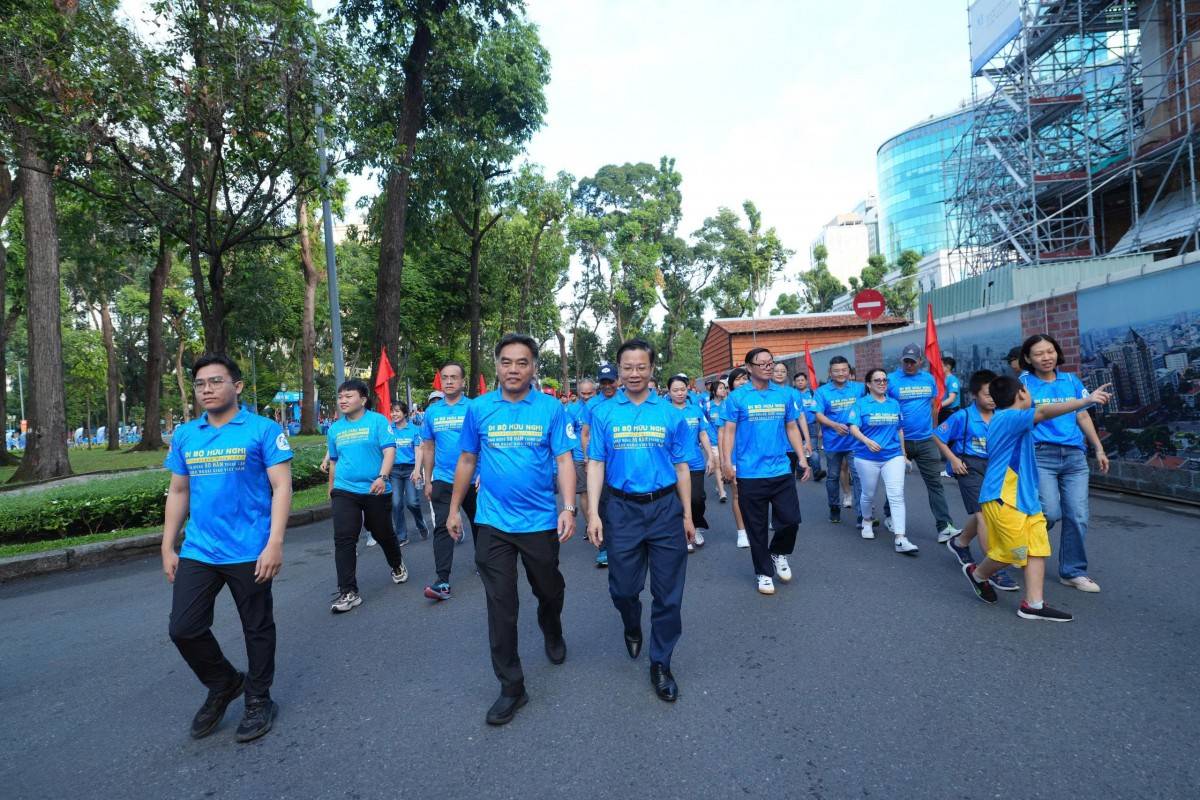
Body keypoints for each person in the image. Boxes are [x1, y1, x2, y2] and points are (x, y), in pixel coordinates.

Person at [162, 353, 292, 743]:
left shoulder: (263, 430)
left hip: (251, 548)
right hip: (199, 549)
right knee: (183, 628)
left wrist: (275, 543)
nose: (207, 389)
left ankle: (258, 699)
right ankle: (223, 683)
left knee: (257, 627)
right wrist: (168, 545)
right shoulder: (186, 434)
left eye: (216, 381)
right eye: (201, 383)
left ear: (236, 386)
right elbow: (179, 489)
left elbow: (281, 487)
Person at [447, 334, 575, 725]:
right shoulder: (479, 409)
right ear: (496, 366)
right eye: (506, 362)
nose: (513, 369)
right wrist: (454, 508)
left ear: (534, 367)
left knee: (549, 590)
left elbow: (565, 460)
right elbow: (468, 460)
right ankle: (511, 687)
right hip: (492, 523)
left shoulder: (551, 409)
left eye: (522, 362)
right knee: (501, 605)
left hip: (538, 522)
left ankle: (551, 627)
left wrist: (568, 507)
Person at [587, 339, 695, 702]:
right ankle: (631, 624)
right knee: (623, 589)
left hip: (665, 509)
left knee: (668, 595)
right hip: (621, 510)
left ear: (651, 370)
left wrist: (688, 515)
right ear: (619, 371)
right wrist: (592, 513)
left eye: (641, 367)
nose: (634, 374)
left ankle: (661, 662)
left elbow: (682, 466)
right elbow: (596, 463)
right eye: (627, 368)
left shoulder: (670, 414)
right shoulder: (602, 413)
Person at [961, 376, 1112, 621]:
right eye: (1028, 391)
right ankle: (977, 574)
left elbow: (1043, 411)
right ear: (1022, 393)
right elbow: (1043, 411)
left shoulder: (1016, 417)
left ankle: (1034, 604)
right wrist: (1087, 400)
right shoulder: (1008, 418)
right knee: (1011, 553)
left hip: (1026, 498)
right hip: (1003, 497)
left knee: (1037, 550)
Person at [1019, 334, 1109, 593]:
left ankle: (1072, 571)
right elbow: (1027, 417)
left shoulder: (1070, 380)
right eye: (1038, 353)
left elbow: (1082, 415)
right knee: (1049, 512)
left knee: (1078, 515)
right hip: (1040, 455)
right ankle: (1024, 546)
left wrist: (1099, 448)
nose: (1046, 357)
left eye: (1050, 351)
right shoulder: (1024, 384)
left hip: (1074, 457)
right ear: (1028, 358)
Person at [721, 347, 812, 595]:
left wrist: (802, 457)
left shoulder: (783, 395)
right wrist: (726, 462)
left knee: (791, 519)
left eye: (770, 363)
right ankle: (763, 572)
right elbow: (728, 431)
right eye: (761, 364)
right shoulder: (737, 398)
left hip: (780, 468)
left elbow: (791, 427)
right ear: (749, 367)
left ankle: (779, 553)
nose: (768, 367)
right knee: (757, 527)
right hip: (750, 473)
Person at [933, 370, 1020, 592]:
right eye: (986, 394)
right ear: (974, 395)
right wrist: (953, 459)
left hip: (996, 468)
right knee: (985, 516)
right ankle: (992, 568)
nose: (991, 398)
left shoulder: (1003, 415)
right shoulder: (963, 416)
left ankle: (959, 542)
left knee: (990, 511)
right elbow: (938, 435)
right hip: (969, 467)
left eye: (994, 394)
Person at [325, 380, 407, 613]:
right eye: (340, 396)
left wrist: (382, 477)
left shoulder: (378, 421)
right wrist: (332, 489)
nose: (343, 400)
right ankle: (348, 591)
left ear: (362, 399)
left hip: (376, 488)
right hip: (345, 489)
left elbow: (389, 450)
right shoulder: (335, 429)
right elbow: (334, 461)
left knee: (382, 532)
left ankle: (396, 563)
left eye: (348, 396)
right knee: (344, 538)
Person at [886, 344, 960, 543]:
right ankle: (889, 515)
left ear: (921, 361)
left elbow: (933, 406)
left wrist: (935, 431)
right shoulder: (891, 380)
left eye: (913, 361)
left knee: (935, 484)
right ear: (901, 361)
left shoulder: (929, 379)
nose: (909, 365)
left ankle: (944, 526)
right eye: (906, 361)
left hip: (926, 440)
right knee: (895, 484)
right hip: (899, 441)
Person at [417, 364, 475, 601]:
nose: (449, 381)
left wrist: (483, 474)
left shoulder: (474, 408)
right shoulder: (432, 412)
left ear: (463, 382)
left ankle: (486, 563)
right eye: (445, 378)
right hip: (442, 478)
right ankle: (442, 580)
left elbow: (485, 443)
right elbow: (428, 447)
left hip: (473, 479)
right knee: (442, 527)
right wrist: (429, 479)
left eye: (454, 378)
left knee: (480, 523)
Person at [848, 368, 918, 554]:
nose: (881, 383)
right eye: (877, 380)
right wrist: (867, 441)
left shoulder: (894, 404)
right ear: (869, 384)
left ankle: (901, 538)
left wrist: (903, 455)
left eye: (884, 380)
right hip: (866, 457)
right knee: (868, 494)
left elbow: (899, 430)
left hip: (892, 456)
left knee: (896, 494)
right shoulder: (861, 404)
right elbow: (853, 427)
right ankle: (867, 520)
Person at [667, 374, 715, 553]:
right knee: (678, 500)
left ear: (687, 390)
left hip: (694, 461)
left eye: (682, 389)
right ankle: (684, 533)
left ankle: (695, 524)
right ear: (669, 392)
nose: (679, 393)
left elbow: (703, 434)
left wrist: (711, 456)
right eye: (675, 390)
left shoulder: (695, 410)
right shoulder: (665, 411)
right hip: (673, 464)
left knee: (697, 498)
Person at [814, 356, 864, 524]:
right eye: (836, 371)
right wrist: (834, 425)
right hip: (833, 443)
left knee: (858, 477)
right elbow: (818, 414)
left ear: (849, 372)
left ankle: (861, 513)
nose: (841, 373)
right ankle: (834, 507)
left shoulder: (859, 388)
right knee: (833, 476)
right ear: (830, 372)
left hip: (855, 442)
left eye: (844, 370)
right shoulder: (822, 392)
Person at [580, 363, 620, 568]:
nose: (607, 386)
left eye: (610, 381)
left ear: (617, 380)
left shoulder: (626, 400)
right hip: (600, 461)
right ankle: (604, 548)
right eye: (603, 382)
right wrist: (588, 458)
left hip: (621, 460)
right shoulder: (592, 405)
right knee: (603, 503)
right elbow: (585, 434)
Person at [717, 367, 752, 546]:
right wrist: (725, 461)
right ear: (731, 384)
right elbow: (722, 433)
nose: (742, 382)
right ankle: (742, 532)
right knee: (738, 494)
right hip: (736, 456)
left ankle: (755, 526)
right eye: (738, 379)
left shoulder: (756, 397)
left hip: (757, 457)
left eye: (745, 378)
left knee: (757, 495)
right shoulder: (728, 402)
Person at [390, 403, 430, 546]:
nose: (394, 414)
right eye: (392, 411)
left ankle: (421, 524)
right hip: (394, 471)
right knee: (396, 503)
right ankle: (402, 536)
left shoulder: (414, 429)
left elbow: (419, 450)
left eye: (397, 411)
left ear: (405, 413)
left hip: (410, 469)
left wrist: (417, 470)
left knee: (412, 502)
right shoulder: (389, 430)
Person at [772, 362, 813, 482]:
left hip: (790, 444)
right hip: (771, 444)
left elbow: (801, 417)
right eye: (776, 371)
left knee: (788, 479)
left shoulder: (794, 393)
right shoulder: (764, 392)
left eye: (783, 371)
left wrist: (807, 441)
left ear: (787, 374)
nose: (779, 374)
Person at [566, 377, 597, 530]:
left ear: (595, 391)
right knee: (584, 493)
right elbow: (568, 434)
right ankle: (589, 524)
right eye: (583, 393)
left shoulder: (601, 405)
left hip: (600, 457)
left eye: (589, 393)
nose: (586, 396)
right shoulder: (571, 409)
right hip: (579, 457)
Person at [792, 371, 826, 481]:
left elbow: (819, 412)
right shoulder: (792, 394)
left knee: (812, 450)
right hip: (795, 427)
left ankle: (817, 473)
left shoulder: (813, 394)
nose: (800, 382)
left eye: (802, 380)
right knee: (798, 449)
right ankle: (800, 471)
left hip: (811, 426)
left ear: (806, 381)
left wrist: (820, 429)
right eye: (798, 380)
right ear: (794, 382)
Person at [707, 379, 730, 503]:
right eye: (721, 388)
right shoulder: (708, 406)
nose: (724, 390)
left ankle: (719, 482)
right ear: (714, 391)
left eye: (725, 388)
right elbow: (704, 422)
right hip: (713, 441)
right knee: (717, 464)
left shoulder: (728, 404)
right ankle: (722, 492)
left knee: (725, 462)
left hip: (727, 440)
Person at [939, 356, 960, 423]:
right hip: (943, 411)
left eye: (941, 365)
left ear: (948, 367)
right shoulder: (943, 379)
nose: (939, 367)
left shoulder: (952, 380)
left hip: (950, 413)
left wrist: (938, 406)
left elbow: (951, 399)